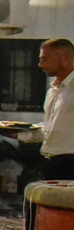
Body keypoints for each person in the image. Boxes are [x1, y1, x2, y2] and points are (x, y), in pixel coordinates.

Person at [38, 39, 74, 179]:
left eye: (45, 59)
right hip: (51, 162)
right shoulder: (53, 90)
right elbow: (50, 129)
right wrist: (18, 134)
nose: (40, 64)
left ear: (65, 58)